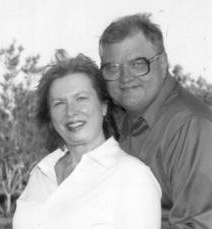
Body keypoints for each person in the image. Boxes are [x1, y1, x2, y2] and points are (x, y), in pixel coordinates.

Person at [12, 52, 161, 229]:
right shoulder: (40, 173)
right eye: (59, 103)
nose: (71, 112)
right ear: (50, 115)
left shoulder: (134, 177)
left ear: (104, 106)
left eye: (81, 98)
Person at [99, 12, 212, 229]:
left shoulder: (191, 128)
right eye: (112, 68)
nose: (125, 77)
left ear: (163, 62)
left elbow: (198, 225)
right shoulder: (115, 123)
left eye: (137, 64)